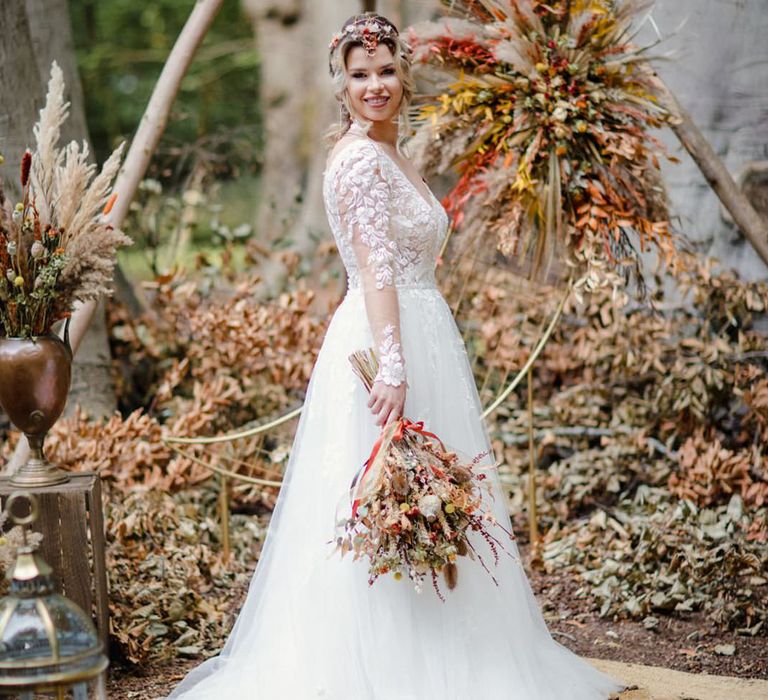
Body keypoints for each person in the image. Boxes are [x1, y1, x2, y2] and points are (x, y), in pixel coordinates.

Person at [165, 12, 626, 699]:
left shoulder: (390, 151)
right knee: (382, 498)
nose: (374, 85)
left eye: (384, 71)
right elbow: (376, 270)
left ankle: (444, 651)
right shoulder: (357, 161)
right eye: (359, 75)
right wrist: (394, 366)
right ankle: (378, 666)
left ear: (402, 76)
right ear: (340, 83)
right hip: (386, 342)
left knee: (429, 502)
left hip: (421, 330)